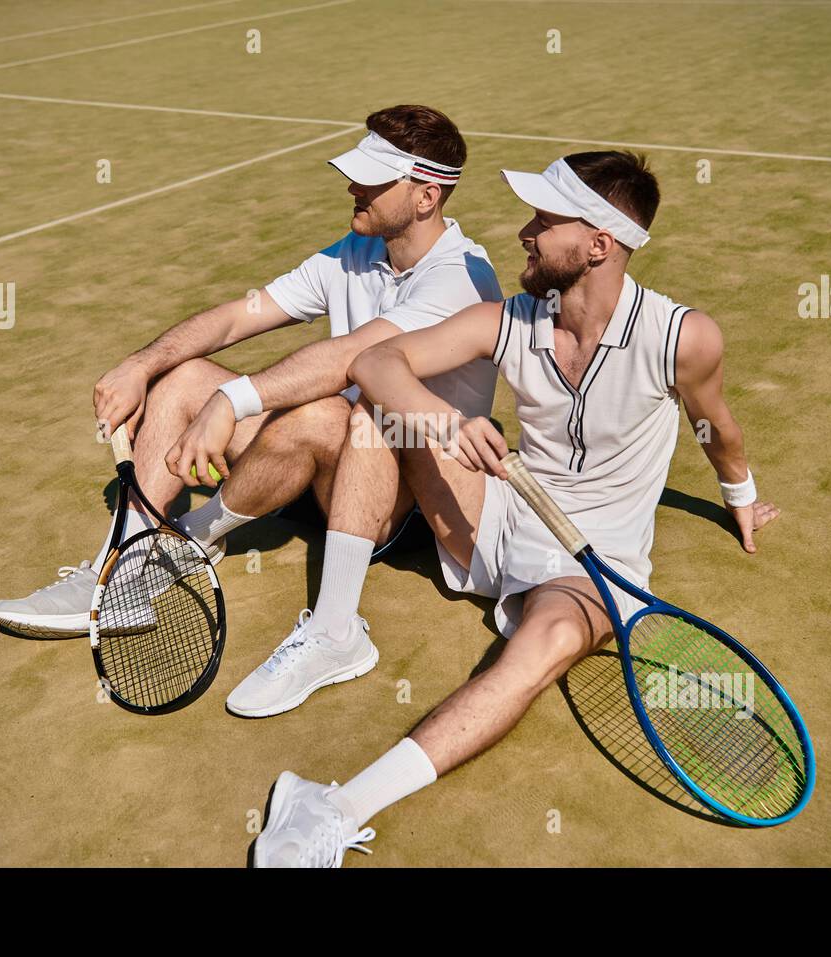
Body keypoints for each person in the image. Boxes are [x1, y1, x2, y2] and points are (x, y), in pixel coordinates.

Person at [251, 150, 780, 867]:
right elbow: (377, 365)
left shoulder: (683, 337)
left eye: (545, 220)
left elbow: (716, 425)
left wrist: (739, 494)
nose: (524, 232)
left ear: (598, 244)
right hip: (492, 519)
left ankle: (335, 806)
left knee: (538, 653)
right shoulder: (508, 318)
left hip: (591, 569)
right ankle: (336, 630)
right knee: (384, 413)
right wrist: (442, 421)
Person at [0, 105, 502, 639]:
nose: (353, 186)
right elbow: (240, 316)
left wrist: (230, 401)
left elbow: (351, 357)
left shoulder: (459, 278)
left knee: (326, 411)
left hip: (391, 498)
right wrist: (141, 365)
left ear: (426, 196)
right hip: (318, 461)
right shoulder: (357, 250)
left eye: (372, 180)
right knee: (185, 378)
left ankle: (191, 537)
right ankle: (122, 566)